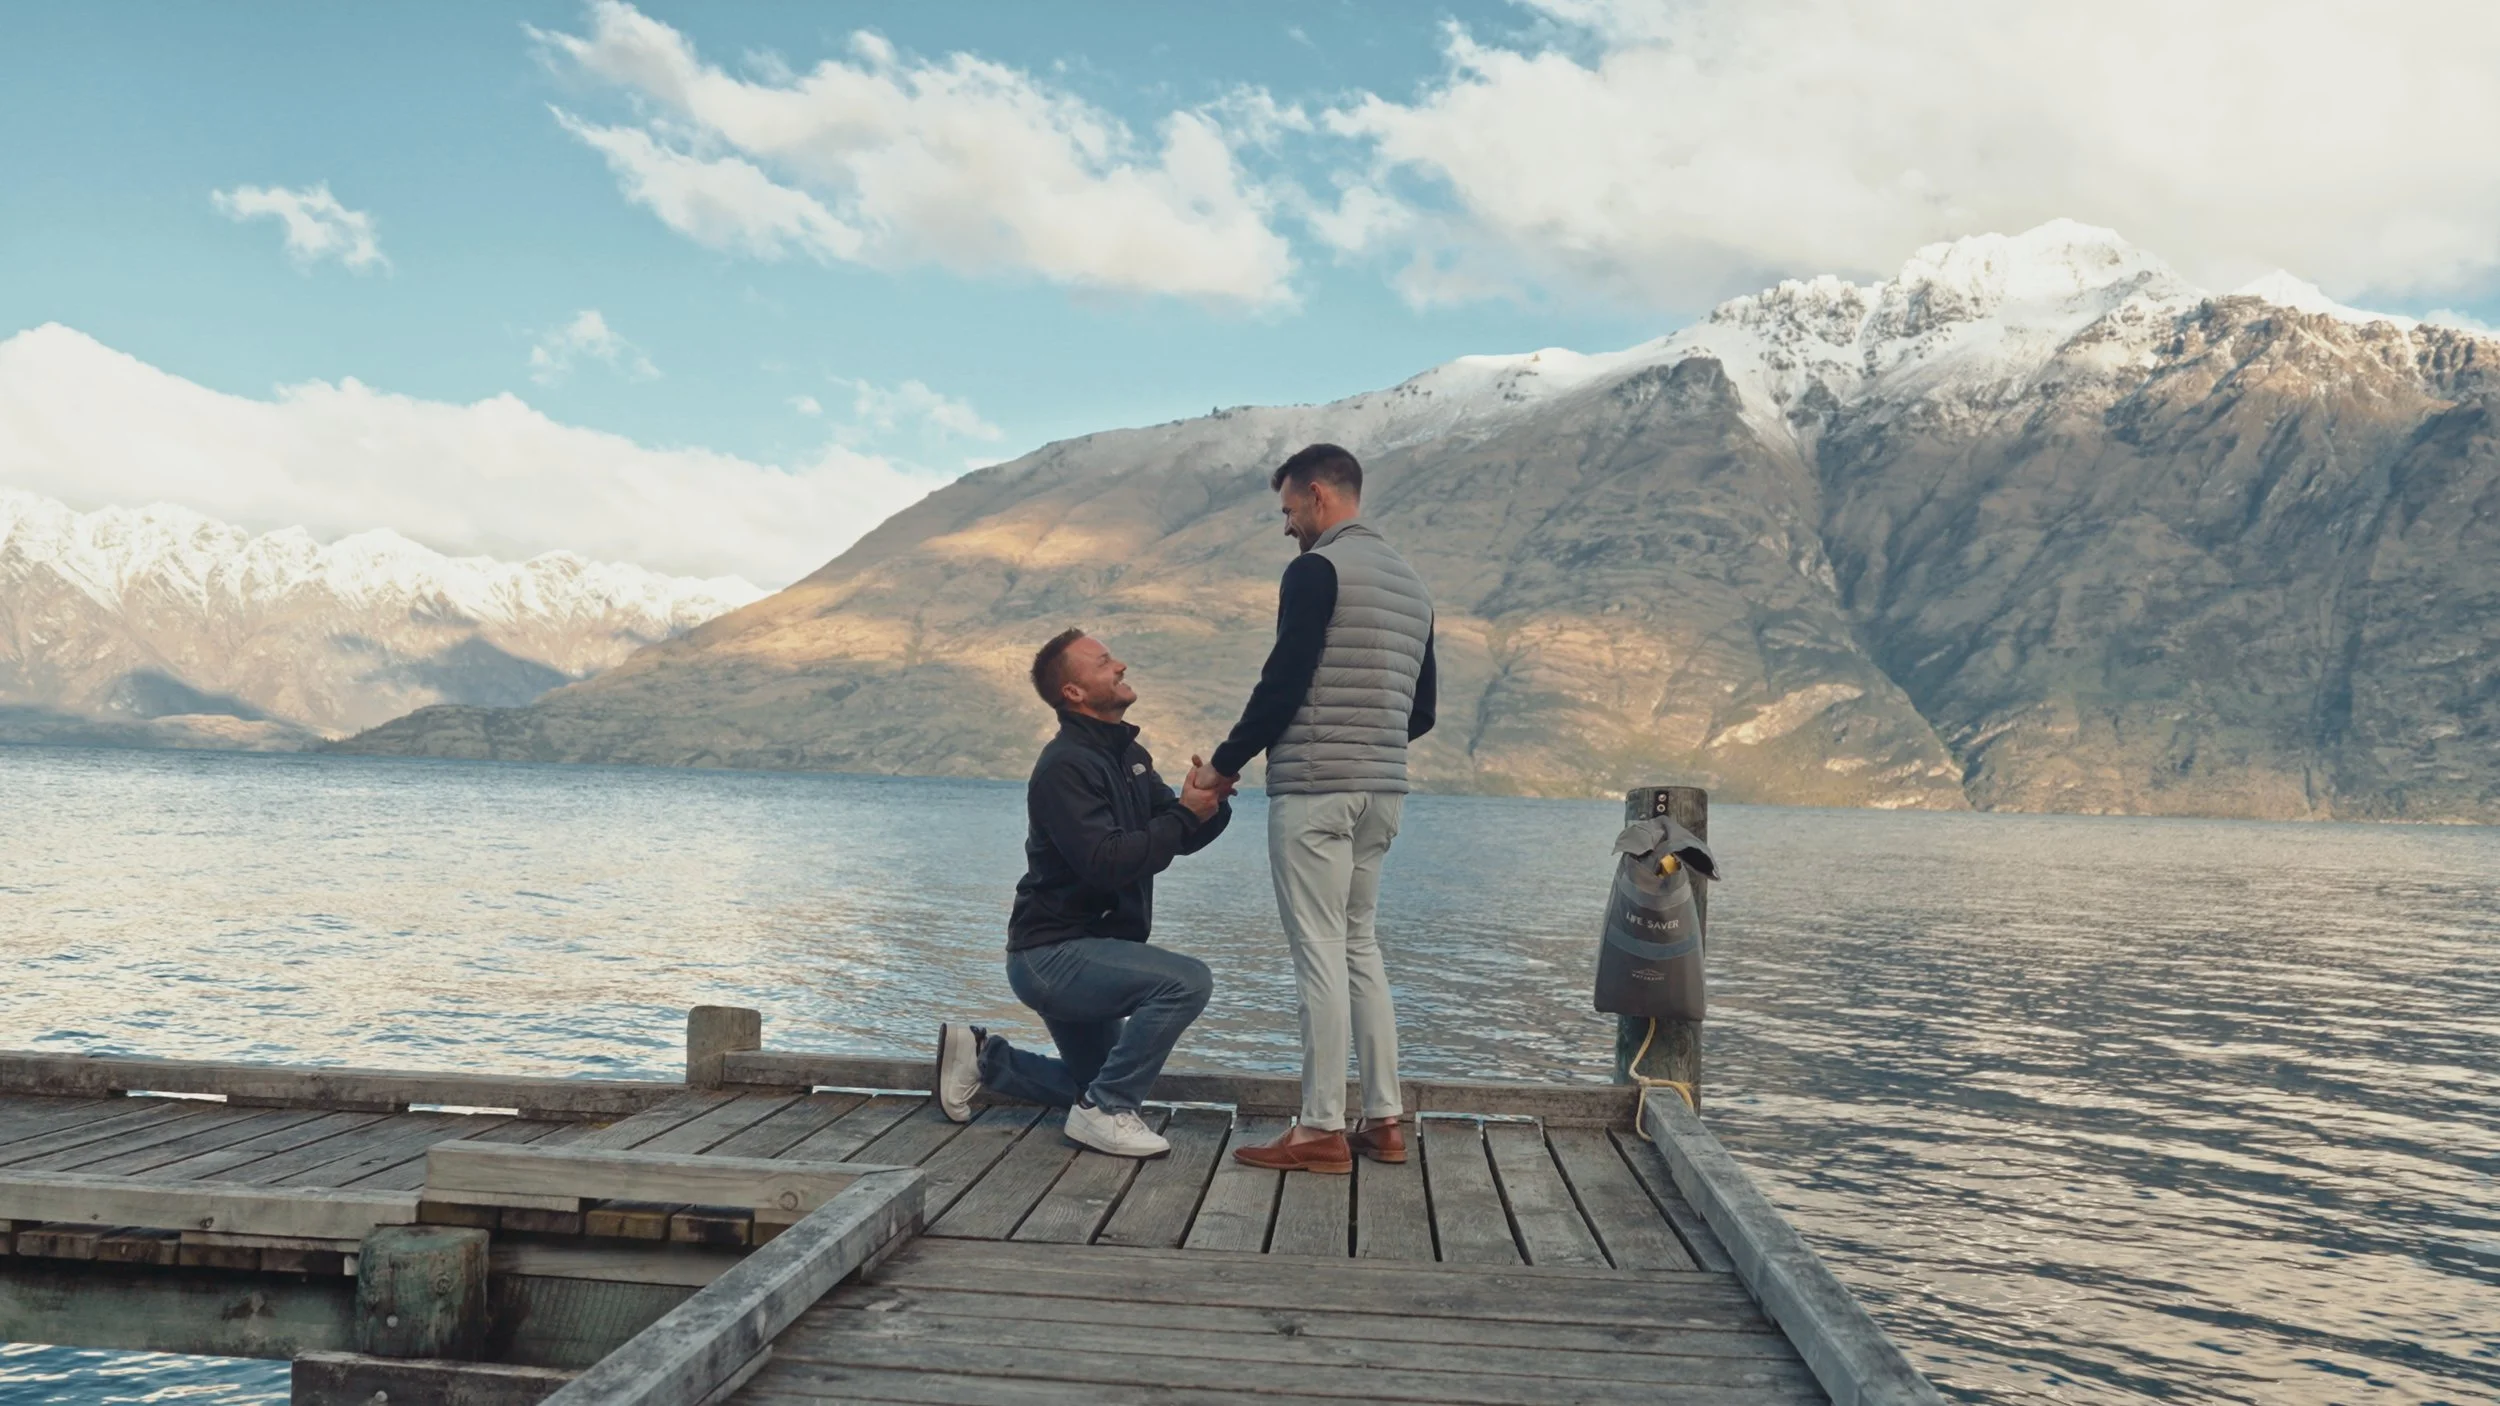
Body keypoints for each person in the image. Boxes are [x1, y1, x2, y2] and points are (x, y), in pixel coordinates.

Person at [1194, 444, 1436, 1175]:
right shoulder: (1413, 586)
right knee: (1361, 946)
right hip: (1382, 794)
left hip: (1316, 792)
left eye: (1290, 509)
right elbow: (1419, 712)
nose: (1288, 525)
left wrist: (1224, 765)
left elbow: (1285, 681)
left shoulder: (1316, 570)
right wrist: (1368, 746)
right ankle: (1385, 1122)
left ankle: (1321, 1130)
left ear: (1321, 495)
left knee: (1318, 958)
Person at [932, 629, 1232, 1158]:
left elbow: (1170, 833)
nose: (1119, 666)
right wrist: (1183, 816)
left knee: (1091, 1084)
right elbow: (1106, 864)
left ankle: (983, 1060)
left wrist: (1206, 805)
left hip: (1093, 953)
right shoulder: (1065, 766)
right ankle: (1107, 1113)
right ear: (1073, 692)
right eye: (1103, 662)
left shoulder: (1128, 755)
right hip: (1052, 956)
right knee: (1187, 983)